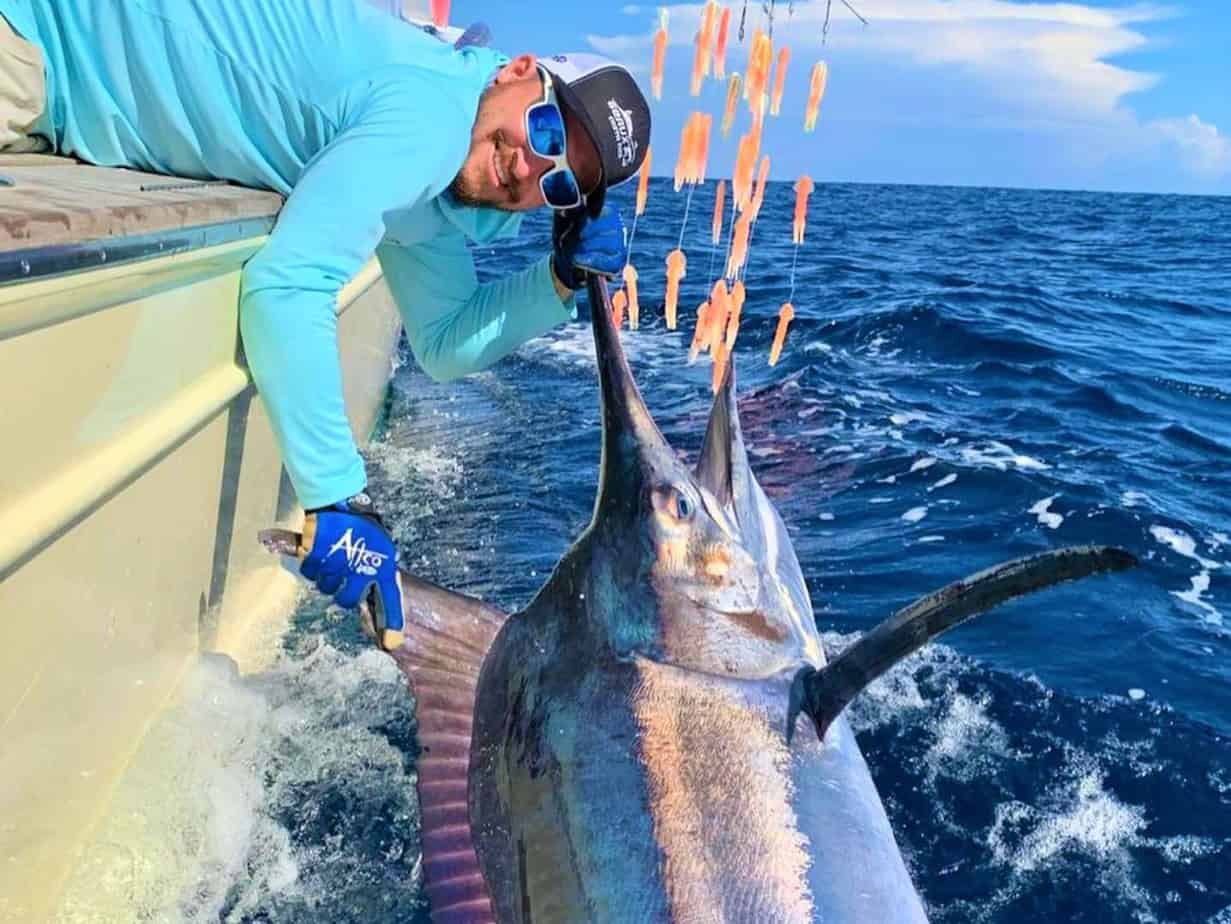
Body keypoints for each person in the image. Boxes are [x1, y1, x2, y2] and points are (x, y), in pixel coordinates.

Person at [0, 0, 651, 648]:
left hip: (58, 100)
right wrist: (335, 498)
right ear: (516, 71)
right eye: (546, 133)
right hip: (34, 52)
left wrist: (555, 281)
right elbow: (286, 284)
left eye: (561, 184)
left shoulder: (437, 190)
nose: (532, 167)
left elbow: (445, 343)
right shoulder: (430, 121)